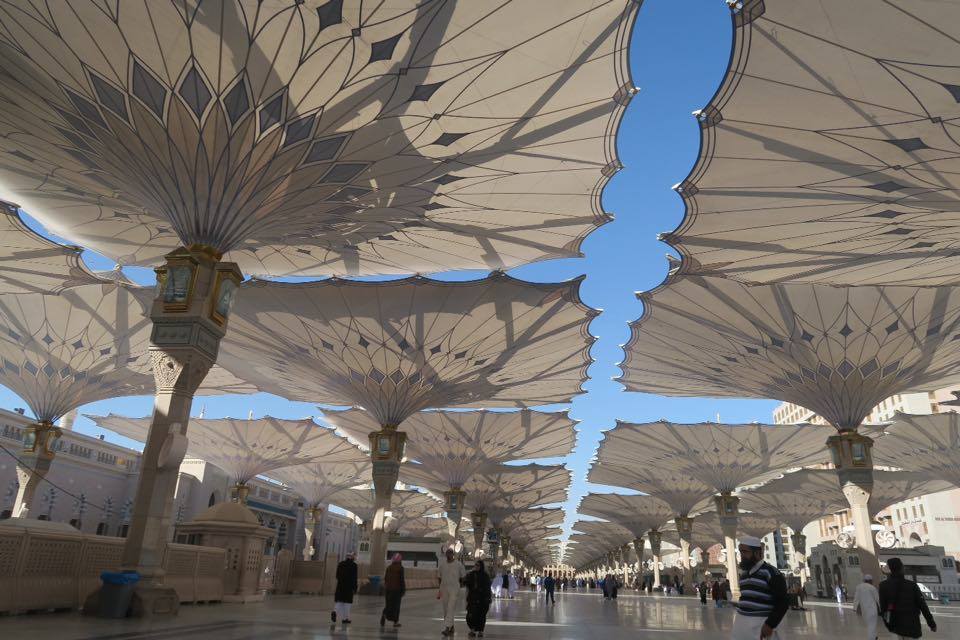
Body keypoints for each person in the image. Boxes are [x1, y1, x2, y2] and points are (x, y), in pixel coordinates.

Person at [730, 536, 788, 640]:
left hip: (760, 627)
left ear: (757, 553)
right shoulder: (744, 575)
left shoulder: (771, 573)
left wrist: (770, 624)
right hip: (741, 626)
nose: (742, 555)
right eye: (740, 552)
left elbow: (783, 602)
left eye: (745, 552)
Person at [879, 557, 937, 639]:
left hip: (895, 627)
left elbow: (884, 608)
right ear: (902, 568)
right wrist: (931, 623)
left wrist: (888, 625)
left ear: (890, 569)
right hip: (912, 627)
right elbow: (922, 605)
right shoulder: (911, 585)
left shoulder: (883, 586)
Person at [439, 547, 466, 636]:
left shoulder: (458, 564)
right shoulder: (442, 565)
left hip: (454, 589)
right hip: (444, 588)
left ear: (453, 554)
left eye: (450, 553)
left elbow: (463, 576)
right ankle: (452, 626)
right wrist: (440, 588)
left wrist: (460, 585)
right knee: (446, 609)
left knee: (450, 607)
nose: (449, 555)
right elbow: (439, 577)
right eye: (447, 553)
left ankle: (447, 628)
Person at [465, 559, 493, 638]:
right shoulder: (471, 574)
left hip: (482, 599)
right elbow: (467, 585)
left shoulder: (485, 576)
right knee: (470, 615)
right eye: (475, 565)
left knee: (481, 616)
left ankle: (480, 631)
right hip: (472, 598)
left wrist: (488, 598)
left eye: (478, 565)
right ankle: (472, 630)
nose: (476, 567)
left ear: (481, 566)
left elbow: (488, 588)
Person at [332, 551, 358, 625]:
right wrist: (355, 587)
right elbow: (354, 578)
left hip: (340, 586)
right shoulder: (354, 565)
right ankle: (345, 618)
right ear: (352, 557)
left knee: (339, 601)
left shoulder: (341, 564)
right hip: (349, 587)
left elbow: (337, 575)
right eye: (354, 556)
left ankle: (335, 611)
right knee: (347, 603)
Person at [381, 553, 406, 628]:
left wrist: (387, 586)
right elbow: (401, 580)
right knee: (396, 606)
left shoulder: (388, 567)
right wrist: (403, 590)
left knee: (389, 604)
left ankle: (384, 613)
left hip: (388, 589)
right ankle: (395, 622)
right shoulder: (400, 568)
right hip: (397, 590)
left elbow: (386, 578)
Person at [854, 574, 880, 640]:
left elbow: (856, 598)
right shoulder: (872, 588)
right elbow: (878, 599)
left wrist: (855, 608)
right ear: (870, 581)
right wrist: (881, 608)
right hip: (872, 610)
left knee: (870, 625)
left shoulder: (859, 587)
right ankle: (871, 638)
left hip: (864, 611)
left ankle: (875, 637)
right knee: (872, 625)